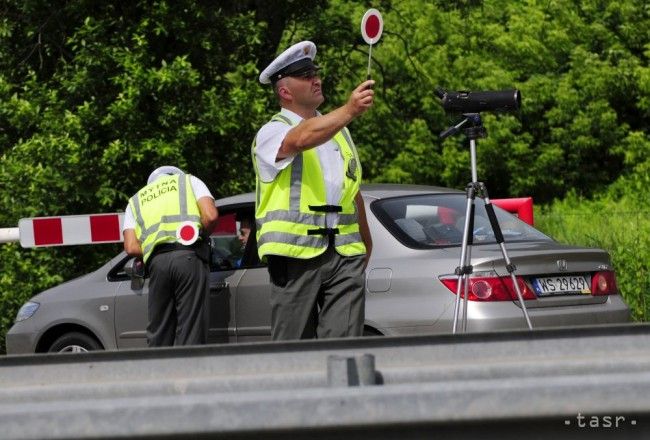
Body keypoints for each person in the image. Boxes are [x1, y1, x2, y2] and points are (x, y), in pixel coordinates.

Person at [252, 40, 373, 341]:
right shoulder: (271, 131)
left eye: (315, 72)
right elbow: (299, 140)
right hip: (295, 258)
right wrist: (348, 110)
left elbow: (353, 193)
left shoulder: (340, 132)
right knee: (294, 351)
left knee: (344, 347)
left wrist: (364, 251)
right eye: (305, 75)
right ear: (285, 91)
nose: (316, 79)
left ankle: (340, 389)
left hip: (345, 255)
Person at [122, 166, 218, 347]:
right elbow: (210, 216)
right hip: (189, 257)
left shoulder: (135, 201)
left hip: (157, 264)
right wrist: (197, 238)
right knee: (191, 327)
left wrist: (155, 247)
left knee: (159, 329)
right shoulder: (189, 181)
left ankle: (159, 371)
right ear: (174, 175)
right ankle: (189, 372)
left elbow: (131, 246)